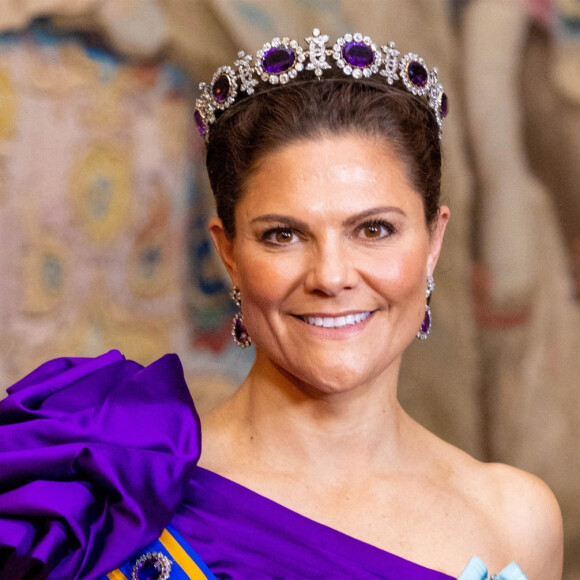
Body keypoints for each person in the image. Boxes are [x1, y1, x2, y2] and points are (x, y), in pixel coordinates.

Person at [0, 28, 563, 580]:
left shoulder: (513, 521)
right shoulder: (115, 489)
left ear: (433, 243)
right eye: (283, 235)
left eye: (374, 229)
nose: (332, 276)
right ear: (229, 254)